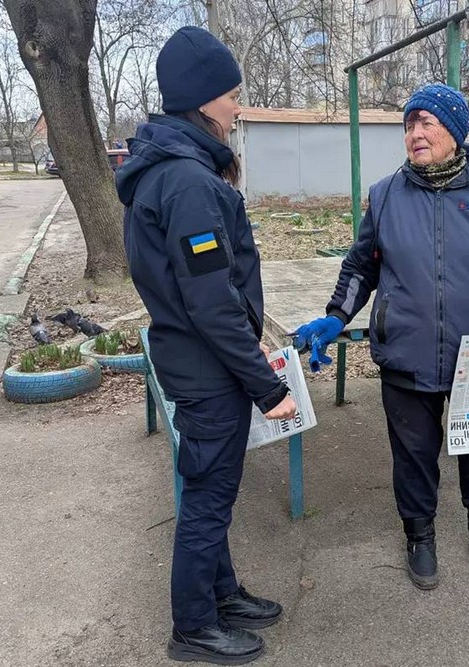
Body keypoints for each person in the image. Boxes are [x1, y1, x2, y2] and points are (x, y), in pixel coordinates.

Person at [295, 83, 469, 591]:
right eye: (410, 125)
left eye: (426, 122)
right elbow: (362, 266)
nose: (415, 133)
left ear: (453, 131)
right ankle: (419, 536)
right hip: (406, 349)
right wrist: (336, 315)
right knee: (413, 452)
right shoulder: (385, 196)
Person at [115, 26, 296, 665]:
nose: (239, 105)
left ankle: (222, 594)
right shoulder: (187, 183)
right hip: (207, 370)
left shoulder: (174, 171)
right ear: (201, 100)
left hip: (198, 364)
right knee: (207, 502)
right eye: (231, 94)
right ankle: (193, 626)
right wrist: (268, 385)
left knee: (210, 492)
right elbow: (212, 303)